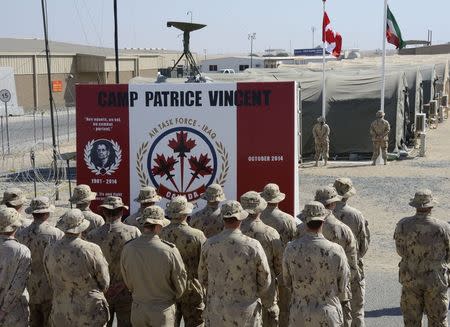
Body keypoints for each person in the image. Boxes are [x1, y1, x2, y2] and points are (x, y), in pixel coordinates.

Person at [198, 200, 271, 326]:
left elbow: (202, 277)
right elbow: (265, 279)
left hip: (217, 312)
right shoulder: (253, 245)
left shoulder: (209, 244)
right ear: (241, 218)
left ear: (222, 218)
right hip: (246, 312)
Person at [297, 186, 359, 327]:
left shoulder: (300, 229)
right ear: (333, 204)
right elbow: (352, 268)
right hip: (332, 300)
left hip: (303, 302)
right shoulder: (343, 230)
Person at [283, 201, 350, 326]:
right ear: (323, 220)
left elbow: (287, 282)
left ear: (305, 221)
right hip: (327, 312)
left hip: (300, 313)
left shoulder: (291, 249)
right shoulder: (336, 251)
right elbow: (343, 285)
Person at [120, 206, 187, 327]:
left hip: (138, 308)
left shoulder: (128, 248)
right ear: (157, 226)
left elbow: (127, 279)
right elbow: (180, 281)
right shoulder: (169, 250)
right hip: (162, 309)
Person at [44, 209, 110, 326]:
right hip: (89, 311)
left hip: (61, 309)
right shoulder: (91, 249)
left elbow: (50, 279)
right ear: (82, 227)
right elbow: (104, 282)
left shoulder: (50, 249)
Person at [394, 189, 450, 326]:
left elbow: (400, 250)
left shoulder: (403, 224)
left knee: (411, 321)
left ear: (415, 206)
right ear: (431, 206)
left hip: (410, 276)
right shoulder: (443, 227)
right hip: (436, 279)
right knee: (438, 321)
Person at [87, 196, 141, 327]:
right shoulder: (133, 232)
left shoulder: (92, 235)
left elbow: (88, 266)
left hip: (101, 291)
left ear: (104, 212)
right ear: (122, 211)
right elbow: (138, 264)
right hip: (126, 290)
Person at [16, 196, 63, 327]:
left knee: (33, 322)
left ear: (32, 212)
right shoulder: (56, 234)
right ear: (47, 213)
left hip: (28, 286)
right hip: (50, 286)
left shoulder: (20, 234)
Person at [161, 196, 206, 327]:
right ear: (186, 212)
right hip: (192, 287)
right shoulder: (197, 235)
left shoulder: (161, 234)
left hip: (168, 287)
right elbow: (204, 264)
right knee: (195, 323)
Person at [240, 191, 283, 327]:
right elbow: (279, 265)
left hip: (240, 287)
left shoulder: (236, 230)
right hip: (267, 288)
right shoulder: (270, 233)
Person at [333, 178, 370, 327]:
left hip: (329, 268)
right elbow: (364, 244)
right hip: (352, 266)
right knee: (356, 312)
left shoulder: (324, 213)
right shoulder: (356, 215)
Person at [260, 183, 297, 326]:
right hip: (284, 270)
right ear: (278, 199)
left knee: (265, 309)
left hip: (262, 270)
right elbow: (294, 244)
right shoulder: (288, 220)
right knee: (285, 309)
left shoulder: (253, 219)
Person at [0, 207, 31, 327]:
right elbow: (18, 286)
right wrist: (3, 311)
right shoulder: (22, 251)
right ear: (15, 226)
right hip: (13, 312)